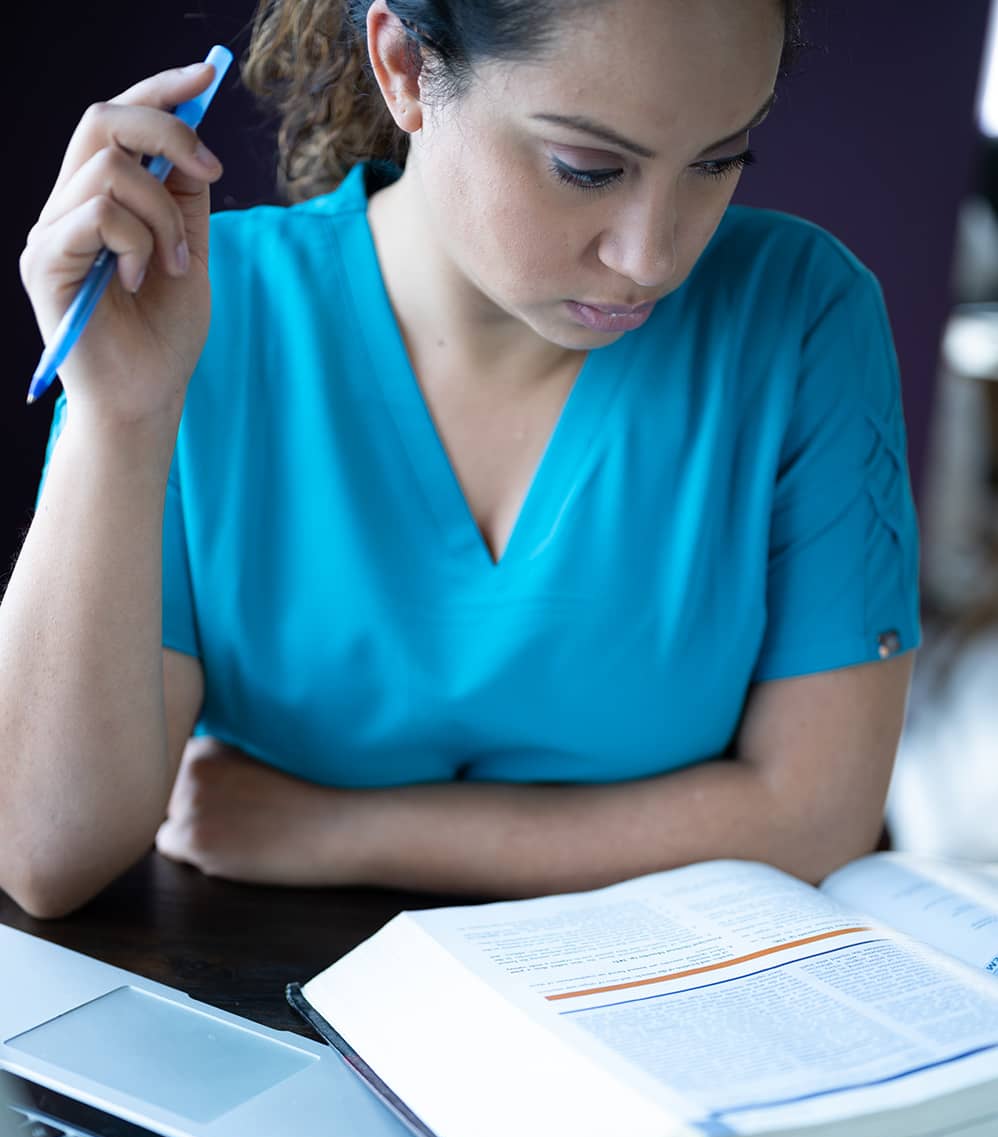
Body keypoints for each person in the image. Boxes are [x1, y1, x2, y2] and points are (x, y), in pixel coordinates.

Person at [3, 0, 918, 919]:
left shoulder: (803, 317)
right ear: (403, 66)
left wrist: (333, 830)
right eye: (587, 169)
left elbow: (816, 819)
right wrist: (119, 415)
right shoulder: (195, 308)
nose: (651, 256)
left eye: (719, 161)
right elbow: (40, 853)